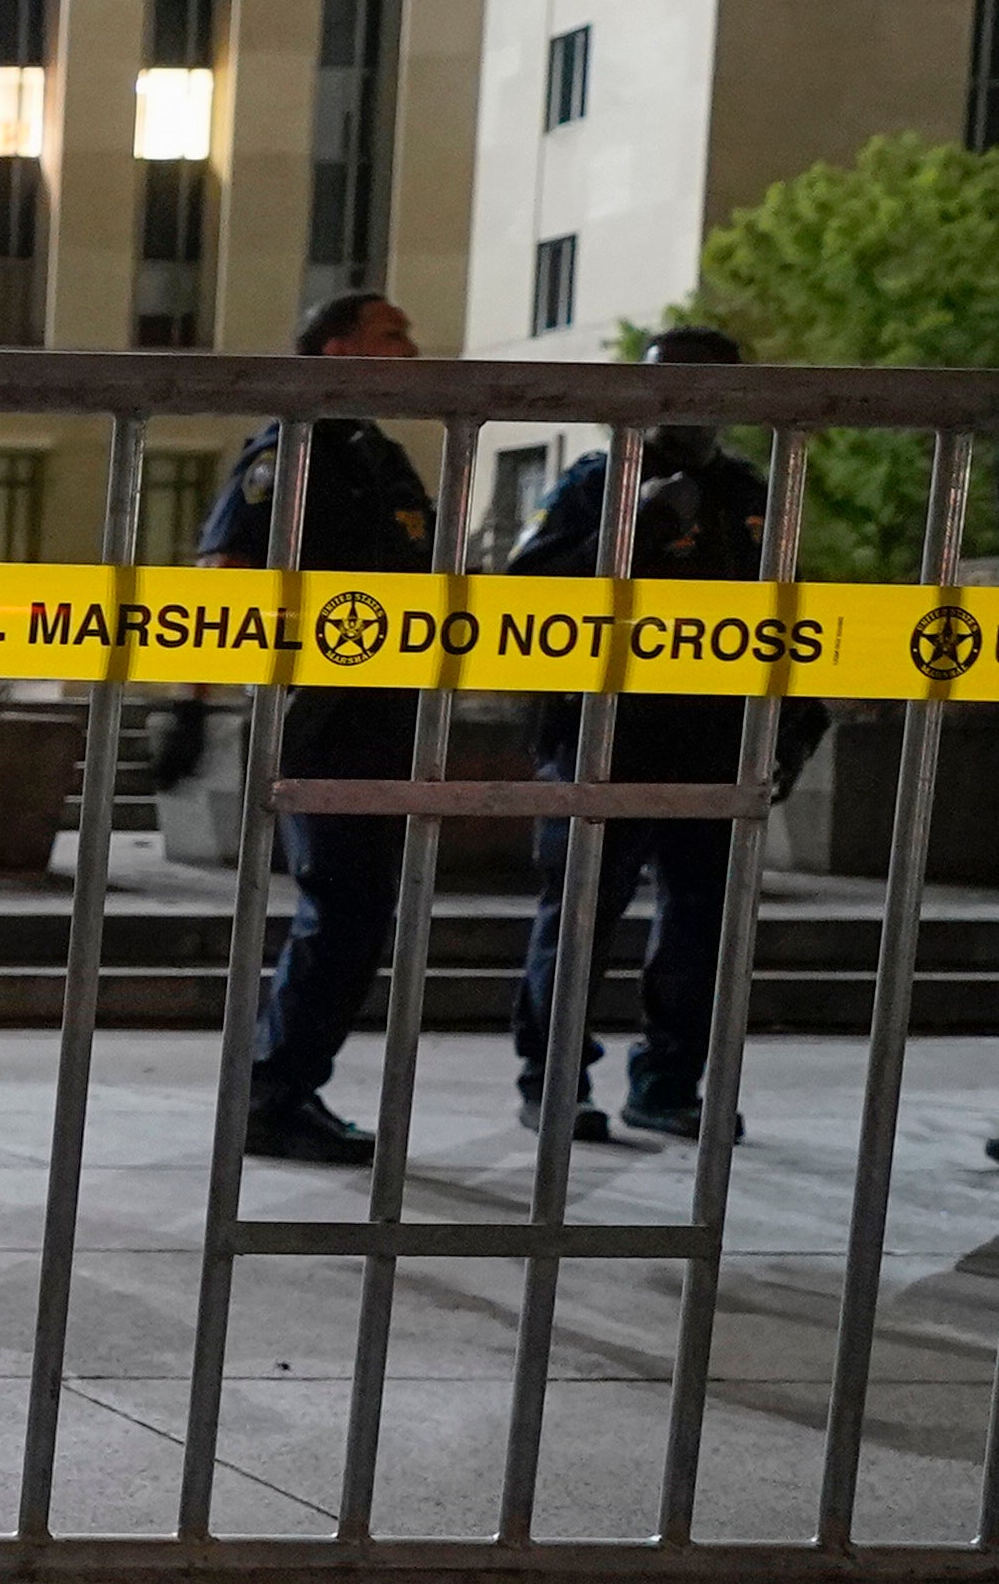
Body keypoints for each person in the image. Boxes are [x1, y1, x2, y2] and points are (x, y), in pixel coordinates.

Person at [501, 326, 824, 1145]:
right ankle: (554, 1082)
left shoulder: (752, 491)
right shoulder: (595, 483)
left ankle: (669, 1082)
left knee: (700, 922)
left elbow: (789, 617)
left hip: (714, 739)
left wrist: (792, 725)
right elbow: (525, 592)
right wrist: (630, 530)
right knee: (578, 916)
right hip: (605, 734)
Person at [198, 287, 439, 1166]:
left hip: (385, 718)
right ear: (336, 349)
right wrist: (195, 702)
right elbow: (225, 571)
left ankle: (285, 1085)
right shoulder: (291, 451)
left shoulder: (381, 456)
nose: (412, 349)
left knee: (358, 908)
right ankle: (272, 1091)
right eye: (392, 332)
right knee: (343, 906)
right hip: (321, 720)